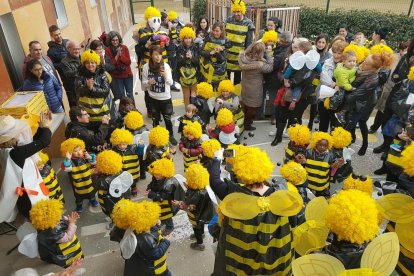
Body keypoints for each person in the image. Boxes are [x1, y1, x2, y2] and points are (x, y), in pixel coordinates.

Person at [210, 146, 303, 275]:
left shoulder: (234, 194)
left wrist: (217, 158)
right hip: (272, 253)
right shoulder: (281, 193)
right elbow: (293, 222)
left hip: (243, 253)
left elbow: (214, 180)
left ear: (241, 174)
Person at [0, 112, 52, 221]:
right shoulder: (16, 153)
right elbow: (43, 141)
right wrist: (46, 127)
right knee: (43, 223)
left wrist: (42, 128)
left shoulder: (7, 150)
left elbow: (32, 143)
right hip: (30, 200)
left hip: (24, 197)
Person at [344, 49, 394, 156]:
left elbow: (356, 94)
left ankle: (365, 144)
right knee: (352, 119)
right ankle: (351, 138)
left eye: (366, 63)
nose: (362, 63)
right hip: (359, 100)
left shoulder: (373, 79)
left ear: (372, 68)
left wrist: (343, 97)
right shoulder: (365, 71)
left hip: (366, 103)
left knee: (361, 122)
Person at [112, 200, 172, 276]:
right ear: (145, 221)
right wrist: (166, 241)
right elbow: (156, 254)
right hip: (153, 269)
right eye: (153, 218)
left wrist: (156, 226)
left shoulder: (131, 229)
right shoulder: (146, 239)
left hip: (137, 264)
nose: (157, 219)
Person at [30, 199, 83, 268]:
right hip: (61, 252)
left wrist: (68, 220)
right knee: (65, 260)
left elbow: (62, 219)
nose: (60, 215)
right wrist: (72, 223)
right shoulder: (52, 233)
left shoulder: (44, 225)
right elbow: (68, 237)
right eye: (57, 215)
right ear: (51, 218)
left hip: (49, 248)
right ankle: (69, 266)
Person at [136, 6, 169, 118]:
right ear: (149, 21)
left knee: (161, 85)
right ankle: (150, 109)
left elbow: (167, 47)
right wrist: (152, 39)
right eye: (154, 20)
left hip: (161, 63)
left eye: (158, 20)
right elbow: (141, 43)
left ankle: (161, 109)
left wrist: (167, 42)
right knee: (148, 88)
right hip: (147, 65)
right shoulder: (143, 32)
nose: (156, 23)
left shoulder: (163, 31)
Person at [172, 164, 213, 251]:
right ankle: (202, 234)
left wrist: (178, 204)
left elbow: (189, 207)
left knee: (196, 228)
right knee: (200, 225)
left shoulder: (194, 194)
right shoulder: (203, 188)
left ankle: (199, 244)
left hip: (195, 216)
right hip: (202, 215)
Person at [142, 46, 177, 145]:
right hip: (152, 98)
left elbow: (170, 83)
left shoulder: (165, 66)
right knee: (155, 119)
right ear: (151, 55)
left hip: (165, 98)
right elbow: (143, 84)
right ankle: (155, 138)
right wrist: (148, 82)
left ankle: (170, 136)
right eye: (155, 54)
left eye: (160, 54)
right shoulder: (146, 67)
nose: (158, 57)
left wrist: (165, 76)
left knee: (167, 119)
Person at [295, 131, 344, 198]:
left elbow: (333, 165)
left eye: (325, 145)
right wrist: (300, 158)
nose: (322, 147)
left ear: (328, 145)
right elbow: (300, 157)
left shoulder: (331, 155)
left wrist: (337, 163)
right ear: (315, 144)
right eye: (320, 145)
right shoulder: (308, 152)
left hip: (323, 185)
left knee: (322, 202)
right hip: (309, 184)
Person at [239, 42, 274, 131]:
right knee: (252, 107)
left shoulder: (243, 57)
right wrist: (269, 55)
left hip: (245, 85)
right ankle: (247, 124)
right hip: (255, 88)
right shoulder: (260, 65)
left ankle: (242, 122)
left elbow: (245, 52)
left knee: (245, 103)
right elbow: (270, 67)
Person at [60, 138, 99, 213]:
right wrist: (68, 159)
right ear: (70, 153)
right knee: (78, 195)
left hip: (88, 180)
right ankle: (79, 204)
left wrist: (90, 158)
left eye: (79, 149)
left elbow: (94, 163)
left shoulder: (86, 156)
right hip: (78, 183)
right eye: (75, 151)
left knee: (91, 192)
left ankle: (92, 200)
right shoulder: (69, 161)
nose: (78, 152)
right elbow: (67, 169)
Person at [318, 40, 349, 132]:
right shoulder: (327, 62)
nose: (336, 55)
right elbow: (323, 77)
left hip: (339, 101)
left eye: (339, 53)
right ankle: (321, 142)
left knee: (335, 125)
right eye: (334, 52)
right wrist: (333, 84)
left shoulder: (349, 65)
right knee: (323, 122)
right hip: (326, 97)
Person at [75, 49, 111, 129]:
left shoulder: (102, 74)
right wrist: (86, 87)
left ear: (96, 63)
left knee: (104, 131)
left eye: (92, 62)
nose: (90, 65)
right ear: (84, 63)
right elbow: (78, 90)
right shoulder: (80, 75)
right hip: (86, 114)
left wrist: (92, 89)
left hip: (101, 112)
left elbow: (106, 91)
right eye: (87, 63)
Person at [283, 40, 322, 111]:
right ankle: (294, 100)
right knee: (299, 88)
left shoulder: (298, 58)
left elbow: (290, 69)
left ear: (300, 50)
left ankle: (291, 100)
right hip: (307, 81)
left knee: (295, 87)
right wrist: (319, 71)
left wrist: (286, 78)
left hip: (295, 80)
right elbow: (319, 68)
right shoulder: (312, 59)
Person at [145, 158, 180, 235]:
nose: (156, 176)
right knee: (160, 213)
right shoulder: (155, 178)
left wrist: (151, 194)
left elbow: (164, 196)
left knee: (167, 215)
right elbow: (151, 184)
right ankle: (163, 222)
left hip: (166, 203)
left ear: (164, 173)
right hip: (158, 201)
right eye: (154, 174)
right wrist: (149, 188)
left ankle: (170, 226)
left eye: (158, 174)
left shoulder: (169, 182)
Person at [225, 0, 255, 85]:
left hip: (239, 56)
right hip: (227, 55)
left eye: (238, 11)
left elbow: (249, 43)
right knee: (226, 80)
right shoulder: (228, 20)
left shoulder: (248, 23)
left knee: (237, 81)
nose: (236, 14)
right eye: (234, 11)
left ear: (242, 11)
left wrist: (246, 56)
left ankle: (236, 97)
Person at [266, 31, 292, 128]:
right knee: (277, 100)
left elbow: (273, 65)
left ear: (286, 41)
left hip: (275, 79)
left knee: (275, 100)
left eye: (281, 40)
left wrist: (269, 54)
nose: (278, 41)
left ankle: (275, 117)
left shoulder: (284, 52)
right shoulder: (282, 47)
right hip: (278, 79)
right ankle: (276, 117)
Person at [95, 150, 131, 219]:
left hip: (110, 203)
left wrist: (95, 174)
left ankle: (114, 221)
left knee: (113, 214)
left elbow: (96, 186)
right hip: (123, 200)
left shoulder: (103, 180)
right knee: (120, 213)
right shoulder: (121, 172)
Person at [199, 22, 231, 91]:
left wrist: (218, 53)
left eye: (217, 31)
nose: (215, 33)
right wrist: (210, 53)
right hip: (208, 71)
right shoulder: (208, 39)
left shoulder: (226, 42)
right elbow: (201, 52)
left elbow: (223, 59)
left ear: (221, 31)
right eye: (213, 30)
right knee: (207, 93)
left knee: (219, 93)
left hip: (220, 73)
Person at [110, 129, 142, 196]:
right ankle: (125, 189)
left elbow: (140, 153)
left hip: (132, 168)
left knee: (133, 179)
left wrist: (141, 146)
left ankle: (134, 188)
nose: (122, 146)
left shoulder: (133, 148)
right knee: (123, 180)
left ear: (128, 142)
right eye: (119, 144)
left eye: (124, 144)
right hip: (122, 169)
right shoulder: (115, 150)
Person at [331, 50, 358, 124]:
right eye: (349, 61)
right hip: (343, 90)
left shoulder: (350, 68)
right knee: (346, 102)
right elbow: (344, 84)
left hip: (345, 87)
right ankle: (340, 114)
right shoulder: (342, 71)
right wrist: (352, 88)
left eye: (354, 61)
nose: (352, 63)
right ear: (344, 62)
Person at [105, 31, 133, 100]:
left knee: (130, 95)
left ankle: (133, 110)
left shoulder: (124, 47)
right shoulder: (107, 50)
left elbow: (128, 62)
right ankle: (124, 110)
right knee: (122, 97)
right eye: (113, 40)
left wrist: (121, 56)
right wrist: (117, 56)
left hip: (127, 76)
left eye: (116, 40)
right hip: (117, 77)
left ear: (119, 40)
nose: (115, 42)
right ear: (110, 41)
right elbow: (110, 65)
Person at [177, 26, 200, 107]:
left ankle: (194, 111)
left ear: (192, 38)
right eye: (186, 38)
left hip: (194, 77)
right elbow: (178, 63)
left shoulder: (196, 48)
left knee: (194, 95)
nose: (187, 40)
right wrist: (185, 58)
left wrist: (191, 58)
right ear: (182, 38)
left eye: (189, 38)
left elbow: (198, 62)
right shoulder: (179, 48)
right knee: (186, 96)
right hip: (183, 77)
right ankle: (188, 112)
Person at [124, 111, 149, 180]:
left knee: (135, 163)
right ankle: (143, 175)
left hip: (133, 151)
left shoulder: (128, 131)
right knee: (142, 163)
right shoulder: (145, 128)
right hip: (143, 149)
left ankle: (136, 175)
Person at [60, 41, 81, 107]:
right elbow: (69, 75)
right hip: (75, 92)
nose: (77, 51)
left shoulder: (80, 57)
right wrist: (82, 69)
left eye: (78, 49)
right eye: (75, 49)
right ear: (68, 49)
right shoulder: (64, 62)